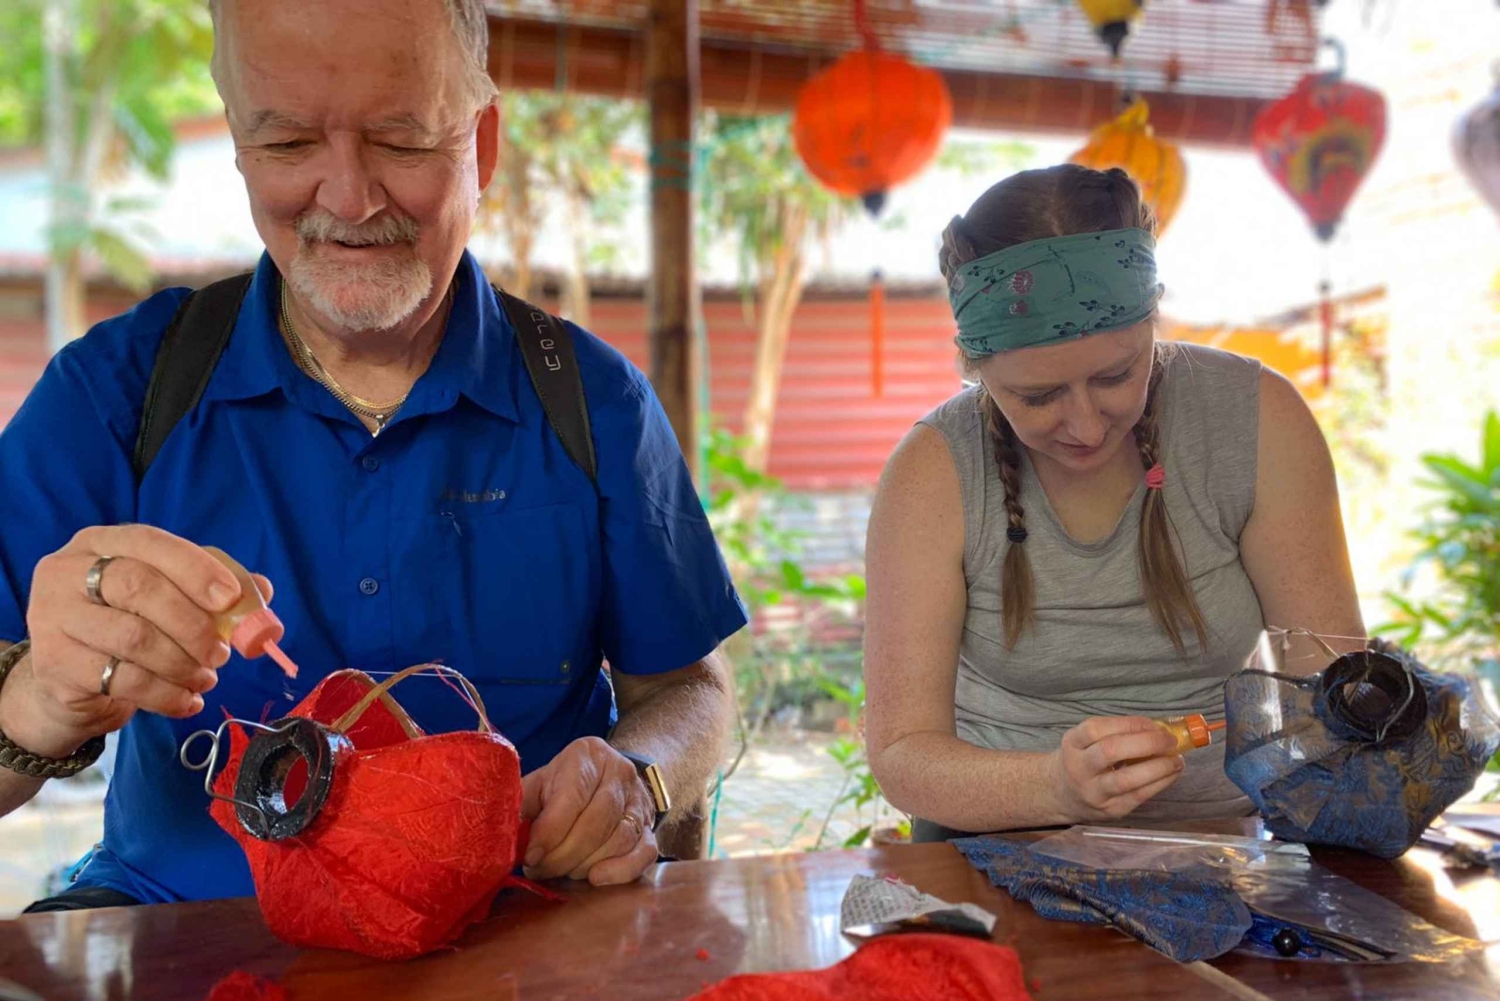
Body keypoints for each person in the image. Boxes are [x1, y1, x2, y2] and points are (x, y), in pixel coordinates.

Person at [0, 0, 747, 907]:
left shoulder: (593, 404)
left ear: (482, 146)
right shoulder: (117, 395)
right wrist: (39, 704)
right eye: (287, 143)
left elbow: (690, 689)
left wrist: (637, 776)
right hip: (186, 928)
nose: (349, 199)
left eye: (402, 140)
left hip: (516, 927)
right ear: (239, 145)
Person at [863, 164, 1364, 841]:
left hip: (1222, 842)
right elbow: (902, 754)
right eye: (1037, 396)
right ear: (974, 367)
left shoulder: (1255, 419)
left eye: (1116, 375)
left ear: (1153, 321)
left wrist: (1373, 736)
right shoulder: (933, 471)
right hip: (994, 844)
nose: (1087, 426)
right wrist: (1055, 786)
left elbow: (1330, 685)